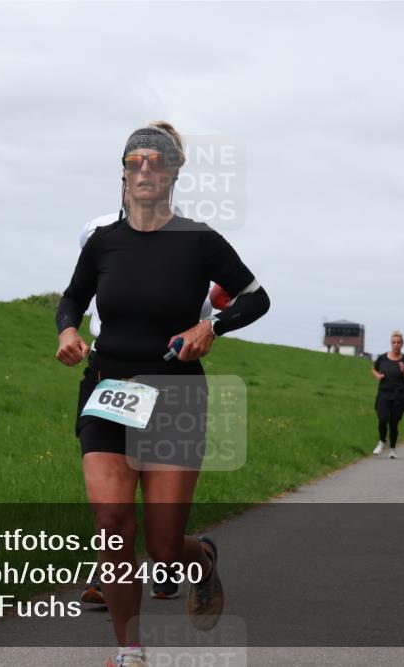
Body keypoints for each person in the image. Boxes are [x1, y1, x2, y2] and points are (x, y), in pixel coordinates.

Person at [56, 121, 270, 667]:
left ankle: (202, 559)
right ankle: (129, 651)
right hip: (107, 389)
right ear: (124, 174)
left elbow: (256, 297)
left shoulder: (199, 240)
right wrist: (68, 331)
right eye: (135, 162)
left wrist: (210, 327)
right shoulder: (103, 241)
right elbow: (73, 298)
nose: (145, 169)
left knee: (164, 548)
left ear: (174, 173)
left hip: (175, 395)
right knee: (111, 525)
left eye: (156, 161)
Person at [78, 204, 212, 606]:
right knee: (110, 504)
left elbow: (204, 310)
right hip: (111, 373)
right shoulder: (98, 231)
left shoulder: (191, 236)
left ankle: (182, 558)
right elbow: (85, 288)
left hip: (168, 376)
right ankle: (110, 570)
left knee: (163, 532)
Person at [371, 331, 404, 459]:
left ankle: (393, 449)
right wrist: (377, 376)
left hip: (399, 395)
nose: (396, 345)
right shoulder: (382, 358)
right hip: (384, 393)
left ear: (402, 344)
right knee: (383, 418)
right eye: (394, 342)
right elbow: (373, 369)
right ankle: (382, 440)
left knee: (394, 423)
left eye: (398, 342)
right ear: (391, 343)